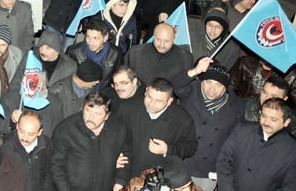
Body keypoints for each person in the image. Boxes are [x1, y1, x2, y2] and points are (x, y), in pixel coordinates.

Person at [171, 58, 244, 191]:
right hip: (181, 162)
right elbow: (174, 85)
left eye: (218, 85)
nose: (212, 88)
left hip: (207, 169)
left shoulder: (236, 106)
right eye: (209, 82)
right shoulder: (191, 91)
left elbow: (234, 141)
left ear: (225, 88)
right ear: (201, 82)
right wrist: (195, 71)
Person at [116, 78, 197, 175]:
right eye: (150, 97)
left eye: (158, 101)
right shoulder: (126, 109)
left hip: (161, 177)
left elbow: (190, 147)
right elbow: (112, 138)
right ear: (146, 91)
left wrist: (168, 149)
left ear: (169, 101)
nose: (152, 104)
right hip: (126, 175)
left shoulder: (182, 119)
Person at [50, 93, 131, 191]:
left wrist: (119, 182)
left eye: (97, 114)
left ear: (107, 116)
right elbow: (56, 166)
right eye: (87, 111)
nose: (90, 118)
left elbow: (126, 155)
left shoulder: (119, 129)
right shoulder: (65, 129)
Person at [217, 98, 296, 190]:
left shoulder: (292, 149)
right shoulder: (242, 130)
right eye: (263, 116)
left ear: (286, 122)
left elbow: (290, 186)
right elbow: (224, 161)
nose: (266, 122)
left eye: (273, 120)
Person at [126, 23, 193, 85]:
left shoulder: (185, 58)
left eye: (166, 41)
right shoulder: (135, 53)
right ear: (153, 36)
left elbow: (186, 87)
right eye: (158, 39)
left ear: (174, 40)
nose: (161, 45)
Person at [1, 111, 54, 191]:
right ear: (17, 126)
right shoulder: (4, 146)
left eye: (31, 134)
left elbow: (48, 174)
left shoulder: (46, 145)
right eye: (21, 132)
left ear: (40, 132)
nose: (25, 138)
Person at [65, 18, 124, 88]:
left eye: (95, 38)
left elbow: (120, 76)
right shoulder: (73, 51)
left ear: (105, 37)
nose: (90, 42)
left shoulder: (115, 53)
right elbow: (65, 77)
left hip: (103, 93)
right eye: (88, 37)